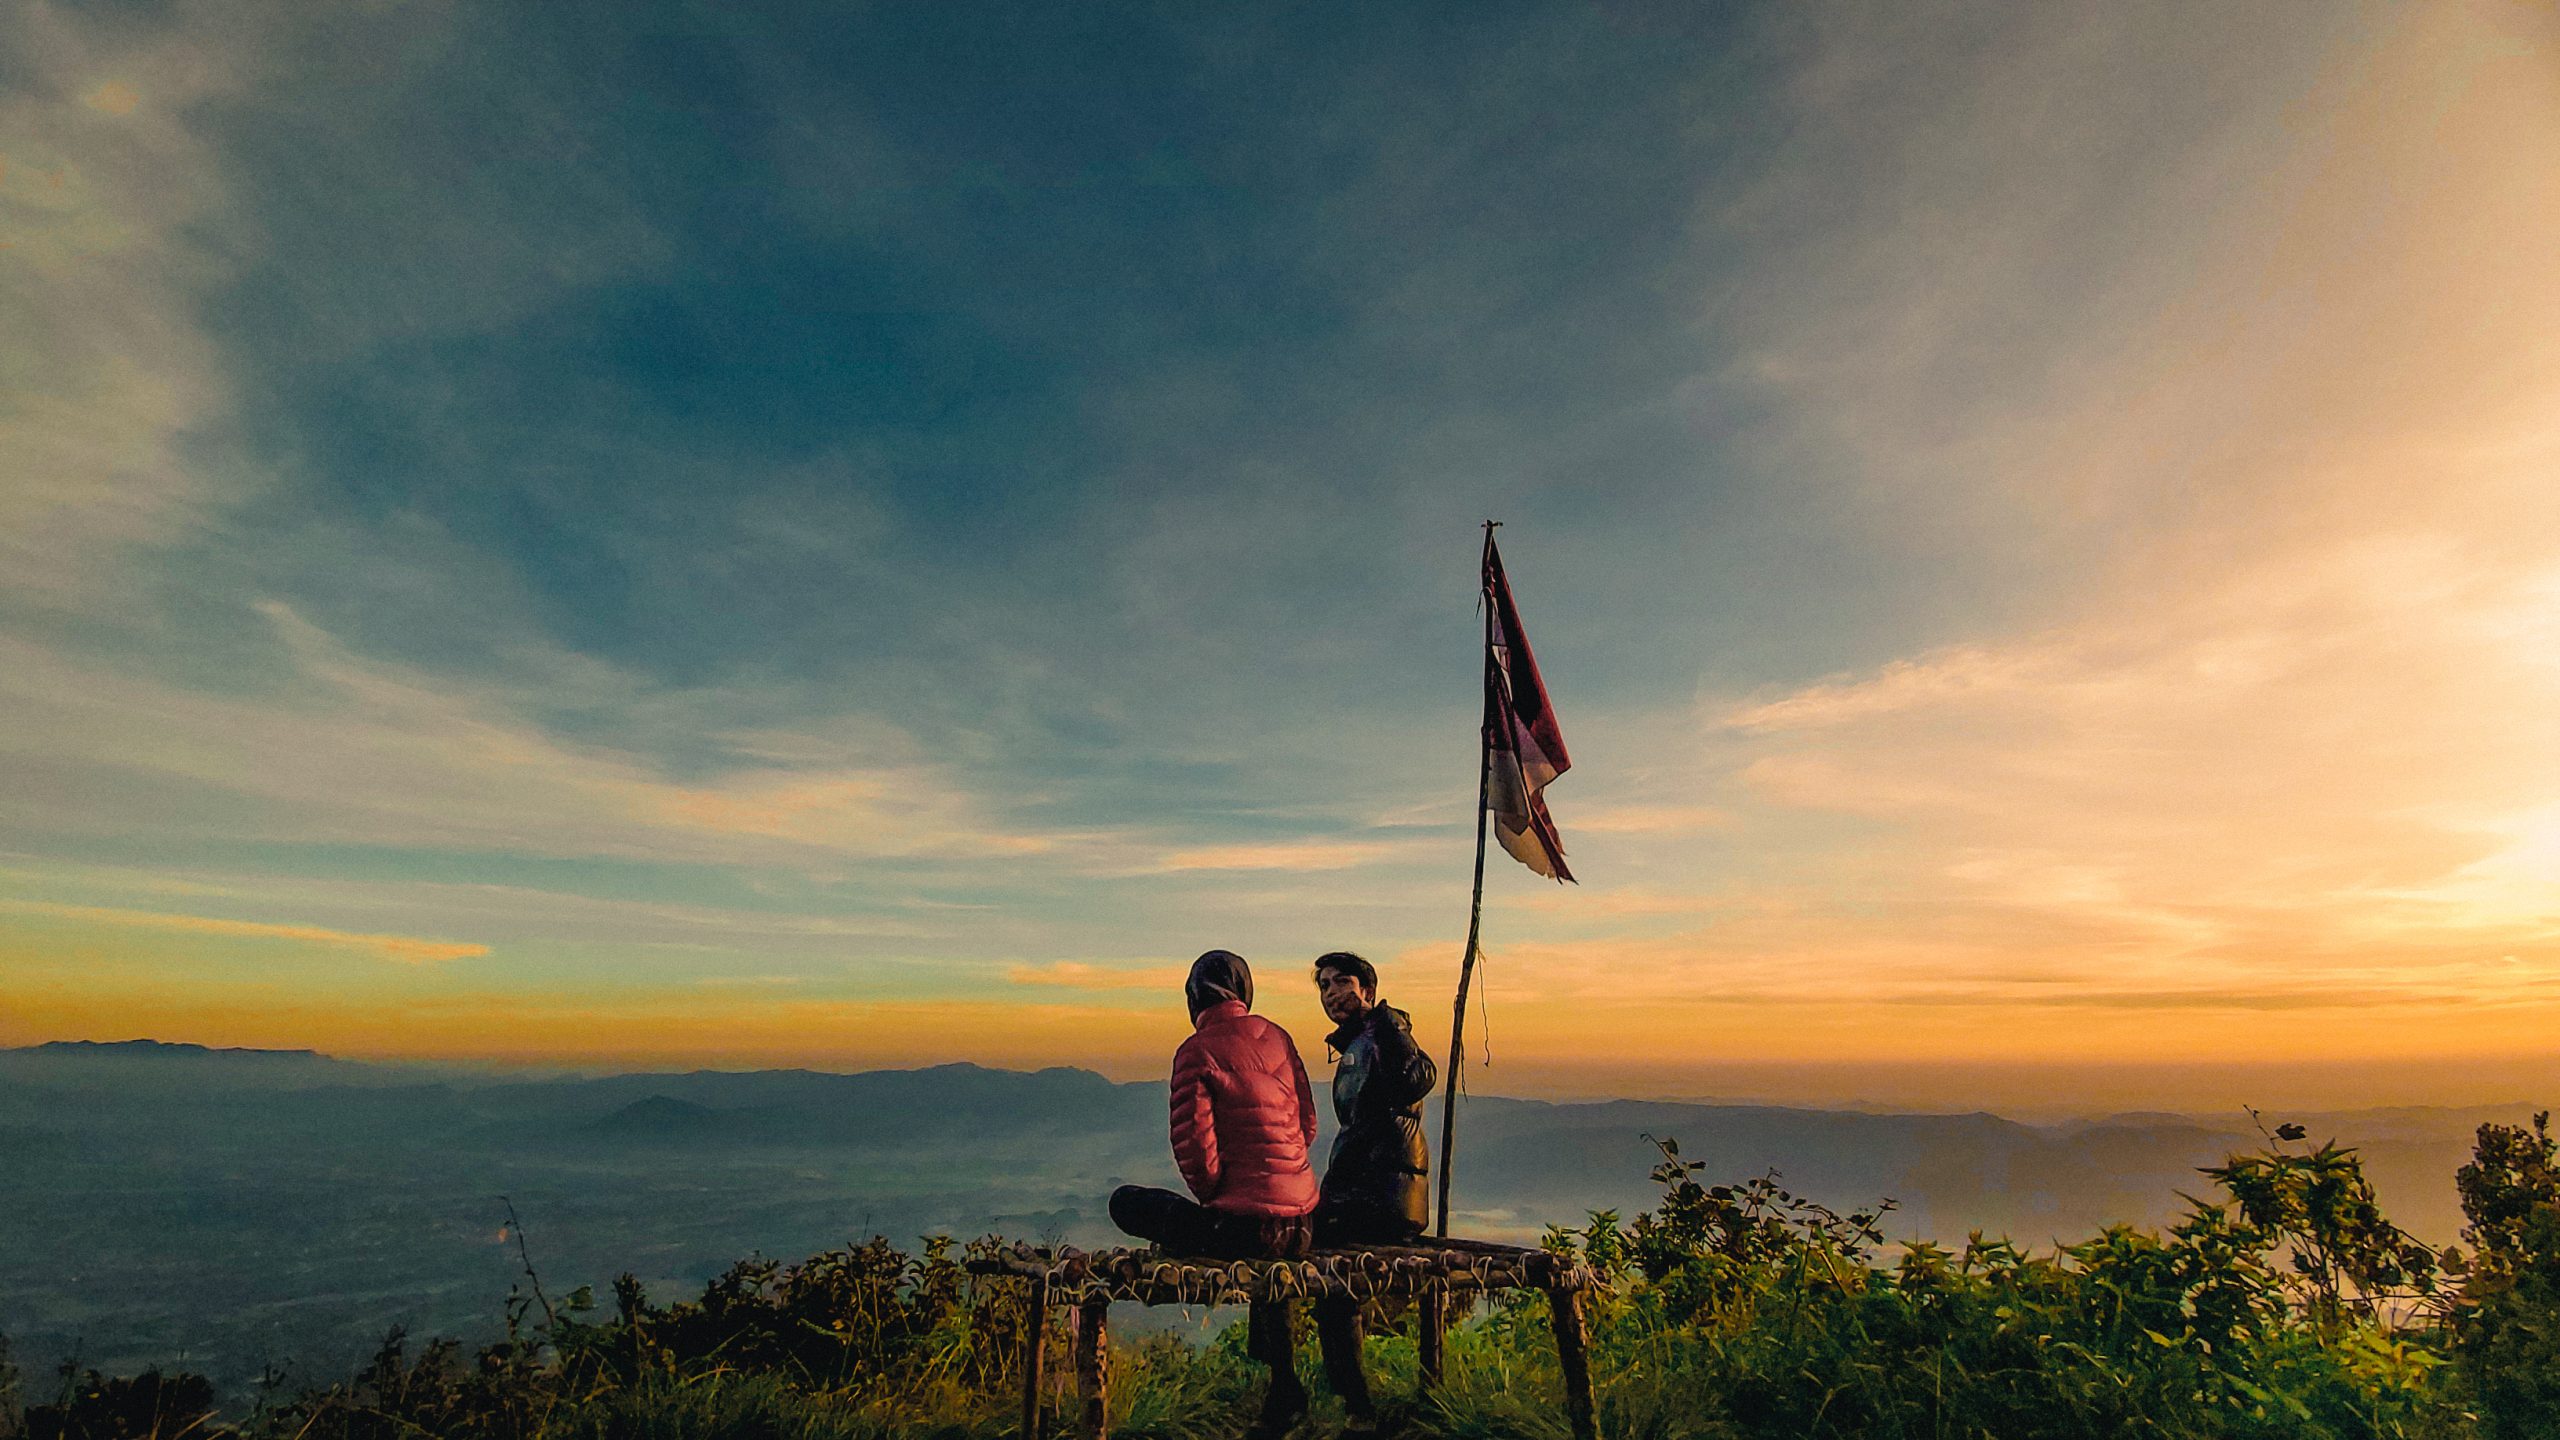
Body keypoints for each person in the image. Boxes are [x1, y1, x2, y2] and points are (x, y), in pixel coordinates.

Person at [1108, 950, 1319, 1438]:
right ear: (1244, 990)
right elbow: (1307, 1125)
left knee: (1126, 1201)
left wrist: (1223, 1199)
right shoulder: (1280, 1037)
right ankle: (1283, 1386)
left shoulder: (1196, 1050)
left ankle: (1285, 1390)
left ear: (1194, 996)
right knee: (1272, 1263)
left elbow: (1196, 1155)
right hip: (1303, 1224)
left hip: (1245, 1231)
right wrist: (1280, 1184)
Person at [1310, 949, 1438, 1436]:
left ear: (1366, 988)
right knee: (1320, 1275)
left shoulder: (1383, 1034)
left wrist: (1391, 1024)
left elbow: (1416, 1080)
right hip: (1366, 1191)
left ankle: (1348, 1406)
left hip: (1384, 1196)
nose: (1332, 993)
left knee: (1304, 1260)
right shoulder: (1357, 1044)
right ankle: (1350, 1402)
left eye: (1342, 982)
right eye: (1324, 986)